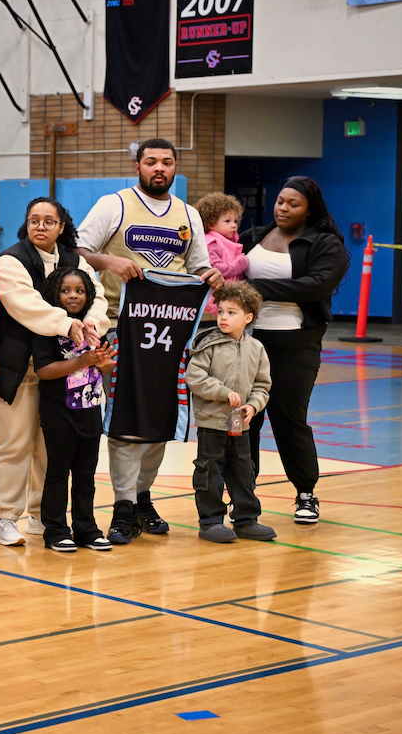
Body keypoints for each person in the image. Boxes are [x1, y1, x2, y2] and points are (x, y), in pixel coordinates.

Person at [76, 137, 223, 545]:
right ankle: (122, 505)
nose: (159, 168)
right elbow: (77, 250)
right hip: (118, 326)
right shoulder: (115, 205)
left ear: (175, 167)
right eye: (151, 161)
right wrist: (107, 260)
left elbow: (199, 268)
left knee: (159, 417)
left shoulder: (188, 215)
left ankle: (142, 497)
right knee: (126, 416)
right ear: (137, 166)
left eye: (167, 162)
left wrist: (211, 275)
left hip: (171, 331)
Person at [0, 198, 108, 546]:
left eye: (49, 221)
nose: (40, 226)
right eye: (34, 220)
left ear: (61, 227)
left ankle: (42, 514)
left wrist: (92, 324)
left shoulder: (76, 261)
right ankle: (5, 517)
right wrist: (69, 324)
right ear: (26, 223)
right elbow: (27, 306)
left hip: (63, 370)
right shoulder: (10, 261)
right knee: (14, 443)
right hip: (15, 366)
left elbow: (98, 298)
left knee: (52, 447)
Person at [241, 177, 349, 525]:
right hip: (248, 341)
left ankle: (305, 493)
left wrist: (255, 288)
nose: (283, 208)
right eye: (280, 201)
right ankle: (244, 494)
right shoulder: (254, 237)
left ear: (309, 209)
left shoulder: (324, 243)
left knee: (289, 419)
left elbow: (315, 286)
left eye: (293, 204)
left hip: (295, 342)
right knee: (244, 418)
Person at [32, 267, 116, 552]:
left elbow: (104, 366)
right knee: (58, 473)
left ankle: (86, 529)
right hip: (59, 414)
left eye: (79, 291)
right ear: (54, 293)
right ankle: (55, 530)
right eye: (65, 290)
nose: (73, 296)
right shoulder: (47, 329)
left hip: (90, 411)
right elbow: (44, 371)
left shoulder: (93, 330)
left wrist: (103, 363)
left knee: (85, 475)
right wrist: (82, 361)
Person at [185, 281, 275, 543]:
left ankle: (246, 519)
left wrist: (253, 405)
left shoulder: (256, 348)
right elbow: (195, 377)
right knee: (210, 472)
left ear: (248, 317)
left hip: (240, 424)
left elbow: (262, 385)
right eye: (221, 311)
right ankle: (211, 521)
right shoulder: (207, 345)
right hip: (212, 423)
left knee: (243, 471)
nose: (223, 317)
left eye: (231, 312)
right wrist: (223, 392)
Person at [195, 193, 248, 316]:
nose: (233, 225)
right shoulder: (212, 243)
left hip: (229, 298)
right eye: (227, 221)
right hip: (216, 297)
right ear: (211, 224)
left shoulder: (230, 242)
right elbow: (215, 269)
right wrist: (239, 265)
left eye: (235, 221)